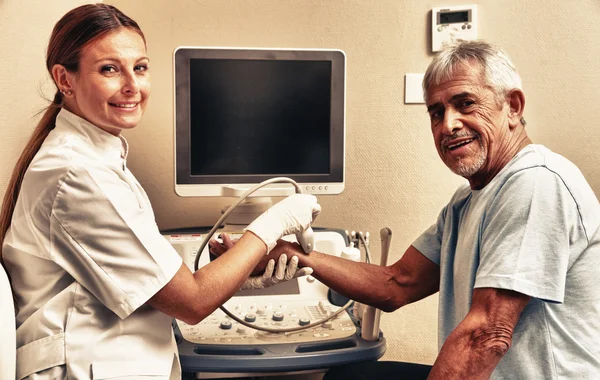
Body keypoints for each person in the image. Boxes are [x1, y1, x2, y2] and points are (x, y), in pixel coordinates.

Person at [212, 40, 600, 379]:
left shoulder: (536, 183)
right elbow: (397, 283)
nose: (448, 124)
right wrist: (288, 254)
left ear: (512, 106)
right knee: (353, 376)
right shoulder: (466, 202)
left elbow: (486, 337)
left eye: (465, 103)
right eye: (436, 112)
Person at [0, 4, 318, 379]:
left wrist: (234, 276)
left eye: (140, 67)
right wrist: (273, 224)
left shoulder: (94, 159)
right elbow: (192, 302)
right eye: (109, 69)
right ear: (64, 79)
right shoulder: (78, 175)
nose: (133, 86)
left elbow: (149, 282)